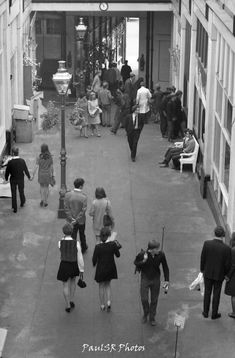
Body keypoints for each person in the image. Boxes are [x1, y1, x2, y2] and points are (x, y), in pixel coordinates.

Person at [134, 240, 169, 326]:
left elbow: (165, 267)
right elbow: (135, 263)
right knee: (144, 299)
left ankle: (152, 317)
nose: (159, 250)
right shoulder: (143, 254)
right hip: (145, 278)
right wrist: (144, 261)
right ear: (152, 249)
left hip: (156, 278)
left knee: (154, 300)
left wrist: (166, 280)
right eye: (157, 249)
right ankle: (146, 313)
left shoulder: (161, 255)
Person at [200, 225, 231, 319]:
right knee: (216, 294)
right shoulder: (226, 248)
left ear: (214, 233)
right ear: (223, 235)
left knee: (207, 293)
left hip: (208, 272)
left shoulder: (207, 244)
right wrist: (226, 274)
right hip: (219, 274)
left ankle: (205, 312)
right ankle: (214, 314)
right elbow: (227, 264)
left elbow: (203, 258)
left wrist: (202, 269)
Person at [57, 223, 84, 313]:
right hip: (73, 264)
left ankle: (67, 304)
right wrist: (81, 269)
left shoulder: (60, 242)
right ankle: (72, 299)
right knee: (73, 282)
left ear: (63, 232)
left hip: (64, 265)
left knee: (65, 285)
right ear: (72, 232)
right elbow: (79, 257)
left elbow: (60, 248)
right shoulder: (76, 243)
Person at [92, 227, 120, 311]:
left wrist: (94, 264)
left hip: (101, 269)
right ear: (109, 235)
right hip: (110, 268)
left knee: (101, 286)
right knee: (108, 285)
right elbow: (118, 255)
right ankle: (108, 302)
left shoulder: (98, 247)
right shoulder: (113, 244)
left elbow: (94, 260)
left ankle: (102, 305)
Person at [64, 178, 88, 254]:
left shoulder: (68, 195)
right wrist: (77, 219)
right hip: (80, 221)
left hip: (71, 220)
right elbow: (83, 210)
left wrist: (71, 218)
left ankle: (73, 249)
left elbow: (66, 208)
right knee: (82, 234)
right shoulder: (84, 197)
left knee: (72, 235)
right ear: (81, 186)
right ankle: (83, 247)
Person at [5, 147, 31, 213]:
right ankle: (22, 202)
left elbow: (7, 171)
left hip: (13, 179)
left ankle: (15, 208)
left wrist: (6, 178)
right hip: (20, 178)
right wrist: (29, 177)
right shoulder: (22, 161)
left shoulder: (10, 162)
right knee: (21, 190)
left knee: (13, 193)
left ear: (13, 153)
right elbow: (26, 170)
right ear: (18, 153)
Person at [224, 232, 235, 318]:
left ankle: (234, 313)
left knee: (234, 295)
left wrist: (228, 276)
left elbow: (233, 265)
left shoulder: (233, 250)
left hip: (234, 276)